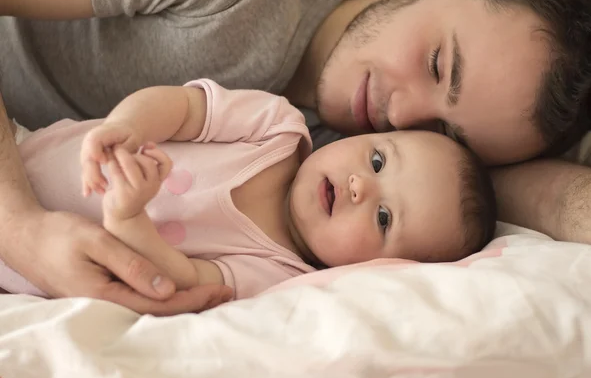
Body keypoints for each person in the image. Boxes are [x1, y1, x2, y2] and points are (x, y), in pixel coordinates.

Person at [0, 0, 591, 314]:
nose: (401, 113)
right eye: (439, 64)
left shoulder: (327, 175)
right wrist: (20, 228)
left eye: (444, 134)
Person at [2, 79, 496, 300]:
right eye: (377, 160)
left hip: (17, 273)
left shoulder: (276, 275)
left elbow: (181, 275)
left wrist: (127, 218)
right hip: (19, 158)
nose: (358, 186)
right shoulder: (275, 128)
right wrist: (128, 127)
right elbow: (181, 106)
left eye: (385, 218)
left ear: (377, 269)